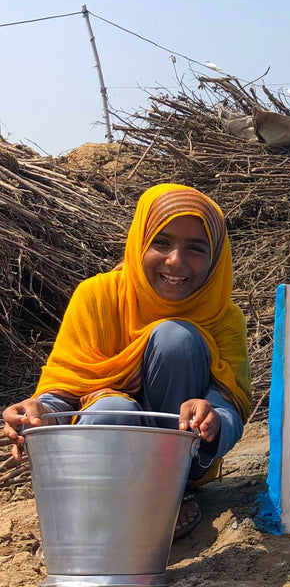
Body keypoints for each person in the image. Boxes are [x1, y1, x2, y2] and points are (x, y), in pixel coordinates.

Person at [2, 183, 252, 540]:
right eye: (161, 242)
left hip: (180, 456)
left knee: (175, 338)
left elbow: (231, 404)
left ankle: (171, 492)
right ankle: (94, 511)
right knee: (114, 410)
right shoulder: (98, 296)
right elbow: (67, 387)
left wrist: (211, 418)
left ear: (216, 260)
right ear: (139, 242)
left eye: (196, 248)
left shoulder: (224, 319)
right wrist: (35, 410)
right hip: (102, 447)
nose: (175, 261)